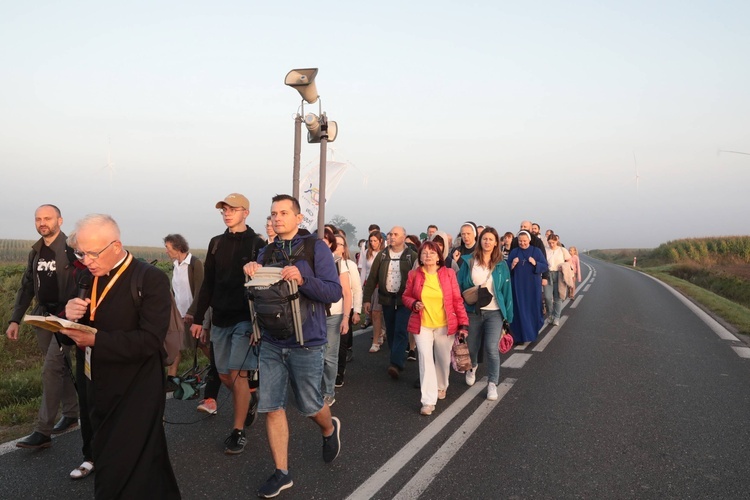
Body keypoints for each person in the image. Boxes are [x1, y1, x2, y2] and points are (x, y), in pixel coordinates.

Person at [61, 214, 180, 499]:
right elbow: (75, 332)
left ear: (116, 245)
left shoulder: (150, 278)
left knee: (123, 467)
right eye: (81, 252)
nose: (86, 260)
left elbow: (150, 340)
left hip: (137, 388)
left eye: (92, 253)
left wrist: (96, 339)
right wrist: (67, 316)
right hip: (97, 384)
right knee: (134, 462)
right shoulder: (86, 276)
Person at [243, 194, 342, 498]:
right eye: (274, 213)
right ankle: (282, 473)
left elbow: (334, 292)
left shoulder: (316, 248)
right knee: (271, 407)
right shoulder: (266, 251)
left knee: (310, 405)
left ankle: (328, 428)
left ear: (299, 218)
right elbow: (257, 293)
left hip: (307, 341)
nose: (277, 218)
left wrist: (303, 279)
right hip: (272, 341)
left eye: (284, 213)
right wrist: (250, 270)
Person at [190, 193, 266, 454]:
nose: (226, 212)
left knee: (237, 373)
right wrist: (199, 319)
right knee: (223, 373)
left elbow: (266, 285)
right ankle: (249, 399)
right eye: (224, 209)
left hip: (245, 318)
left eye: (232, 209)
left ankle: (238, 431)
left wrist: (261, 325)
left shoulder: (258, 243)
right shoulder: (215, 244)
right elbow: (207, 284)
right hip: (220, 318)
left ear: (246, 212)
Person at [8, 204, 79, 450]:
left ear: (60, 220)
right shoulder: (36, 251)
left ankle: (43, 431)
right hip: (42, 317)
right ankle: (71, 413)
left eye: (47, 218)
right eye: (38, 219)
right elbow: (27, 285)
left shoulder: (72, 248)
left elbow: (86, 281)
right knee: (61, 366)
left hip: (65, 319)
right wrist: (15, 319)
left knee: (51, 369)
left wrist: (77, 314)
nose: (42, 222)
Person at [402, 241, 468, 415]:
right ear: (420, 257)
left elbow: (457, 300)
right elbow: (406, 296)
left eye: (432, 253)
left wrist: (463, 323)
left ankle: (441, 385)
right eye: (424, 253)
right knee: (425, 359)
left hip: (445, 325)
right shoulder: (414, 275)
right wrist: (414, 303)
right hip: (422, 324)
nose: (428, 256)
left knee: (443, 359)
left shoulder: (449, 274)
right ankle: (428, 401)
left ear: (439, 256)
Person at [457, 227, 514, 400]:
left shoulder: (501, 265)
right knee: (472, 347)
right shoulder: (469, 261)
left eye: (490, 239)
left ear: (496, 242)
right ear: (480, 241)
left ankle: (492, 384)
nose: (487, 242)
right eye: (484, 239)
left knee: (491, 348)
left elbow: (506, 291)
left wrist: (508, 317)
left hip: (494, 312)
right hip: (473, 311)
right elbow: (459, 286)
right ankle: (472, 366)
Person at [362, 226, 418, 379]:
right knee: (392, 331)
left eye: (395, 234)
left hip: (404, 301)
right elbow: (372, 278)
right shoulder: (382, 255)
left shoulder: (411, 256)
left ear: (403, 237)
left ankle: (396, 363)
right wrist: (366, 299)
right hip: (386, 299)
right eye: (390, 234)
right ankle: (396, 358)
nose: (392, 237)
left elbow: (419, 277)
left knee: (401, 330)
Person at [163, 234, 204, 386]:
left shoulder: (195, 263)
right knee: (175, 346)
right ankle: (170, 379)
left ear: (178, 248)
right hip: (178, 314)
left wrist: (192, 312)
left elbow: (200, 291)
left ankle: (219, 371)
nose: (166, 251)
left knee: (202, 345)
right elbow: (176, 291)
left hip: (193, 314)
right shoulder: (175, 265)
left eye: (168, 248)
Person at [321, 228, 350, 407]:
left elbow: (347, 292)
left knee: (329, 356)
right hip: (313, 315)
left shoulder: (339, 262)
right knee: (314, 354)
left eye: (326, 240)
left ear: (331, 243)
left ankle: (328, 392)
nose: (322, 243)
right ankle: (314, 389)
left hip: (333, 315)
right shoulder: (309, 261)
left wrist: (346, 317)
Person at [507, 231, 549, 344]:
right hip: (517, 286)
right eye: (520, 241)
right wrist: (511, 265)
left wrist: (536, 264)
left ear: (529, 240)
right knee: (518, 310)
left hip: (532, 287)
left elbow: (545, 266)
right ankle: (519, 336)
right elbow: (506, 267)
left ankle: (531, 334)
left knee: (532, 309)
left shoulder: (536, 251)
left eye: (524, 241)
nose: (522, 243)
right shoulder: (514, 252)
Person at [334, 233, 362, 389]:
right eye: (334, 243)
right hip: (328, 310)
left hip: (345, 308)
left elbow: (356, 289)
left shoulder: (349, 265)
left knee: (341, 343)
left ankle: (339, 371)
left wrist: (356, 311)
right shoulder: (324, 263)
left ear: (344, 248)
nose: (337, 247)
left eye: (340, 244)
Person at [360, 230, 386, 352]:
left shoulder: (384, 253)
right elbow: (364, 269)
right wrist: (361, 286)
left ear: (380, 241)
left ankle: (375, 342)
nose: (373, 243)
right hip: (369, 284)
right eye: (371, 241)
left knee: (376, 312)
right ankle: (380, 332)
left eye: (375, 240)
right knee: (370, 312)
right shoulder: (367, 252)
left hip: (379, 286)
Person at [544, 234, 571, 326]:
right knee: (547, 297)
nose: (551, 244)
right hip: (548, 274)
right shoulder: (546, 250)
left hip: (559, 275)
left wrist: (563, 266)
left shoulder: (562, 250)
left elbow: (569, 261)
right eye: (549, 243)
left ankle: (557, 317)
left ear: (557, 241)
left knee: (558, 297)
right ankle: (550, 314)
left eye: (553, 242)